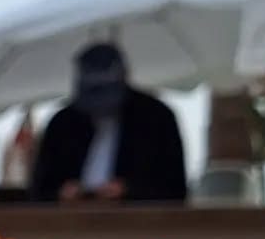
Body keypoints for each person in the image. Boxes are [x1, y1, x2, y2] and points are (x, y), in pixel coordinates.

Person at [29, 42, 188, 203]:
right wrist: (61, 193)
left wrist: (129, 190)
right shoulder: (62, 123)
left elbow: (174, 188)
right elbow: (39, 189)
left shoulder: (157, 118)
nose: (100, 104)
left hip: (138, 216)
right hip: (69, 217)